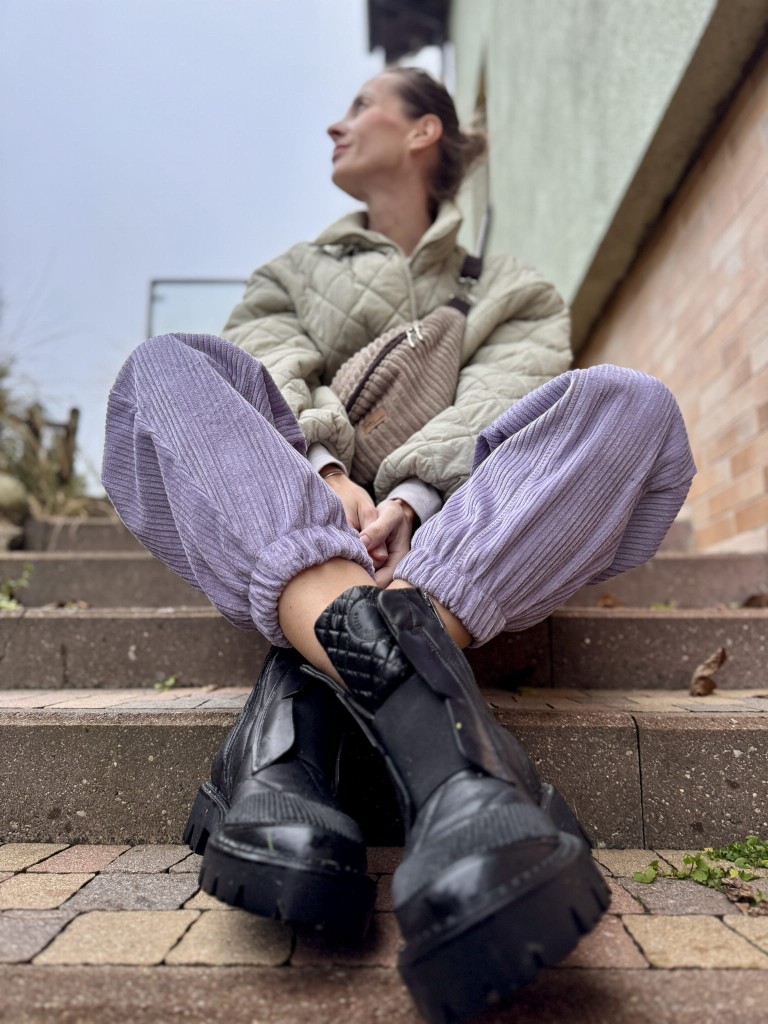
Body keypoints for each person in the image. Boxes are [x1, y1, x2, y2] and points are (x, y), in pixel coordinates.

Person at [103, 68, 695, 1024]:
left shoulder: (515, 291)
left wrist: (413, 500)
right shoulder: (291, 273)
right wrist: (329, 476)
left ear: (424, 132)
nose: (335, 125)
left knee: (634, 405)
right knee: (164, 371)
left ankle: (301, 708)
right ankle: (452, 764)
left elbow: (503, 397)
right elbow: (274, 369)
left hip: (457, 531)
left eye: (361, 106)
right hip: (294, 510)